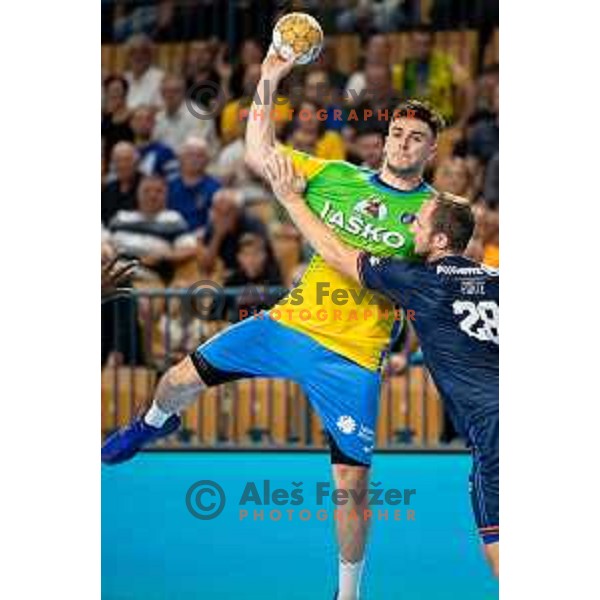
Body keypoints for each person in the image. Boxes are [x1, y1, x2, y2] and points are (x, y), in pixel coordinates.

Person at [101, 47, 443, 600]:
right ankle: (155, 422)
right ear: (384, 140)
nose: (403, 143)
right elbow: (258, 152)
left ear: (431, 149)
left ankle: (347, 594)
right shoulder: (335, 176)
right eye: (397, 134)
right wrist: (270, 72)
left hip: (352, 357)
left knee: (352, 485)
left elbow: (424, 283)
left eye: (415, 138)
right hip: (289, 325)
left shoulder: (434, 214)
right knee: (177, 379)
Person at [264, 156, 499, 579]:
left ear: (441, 238)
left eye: (419, 222)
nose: (409, 226)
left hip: (494, 431)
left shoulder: (419, 280)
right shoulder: (499, 279)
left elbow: (338, 254)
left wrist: (291, 201)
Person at [167, 137, 221, 233]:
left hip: (200, 238)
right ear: (180, 158)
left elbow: (216, 222)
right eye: (190, 155)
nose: (194, 159)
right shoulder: (168, 185)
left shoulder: (216, 187)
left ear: (207, 160)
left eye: (199, 156)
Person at [153, 73, 218, 153]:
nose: (170, 95)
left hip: (200, 161)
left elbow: (193, 150)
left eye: (175, 91)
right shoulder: (159, 117)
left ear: (184, 92)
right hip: (169, 161)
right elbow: (155, 145)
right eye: (166, 91)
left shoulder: (199, 114)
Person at [130, 105, 178, 178]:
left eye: (148, 119)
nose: (143, 123)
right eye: (139, 119)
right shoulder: (124, 152)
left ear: (154, 123)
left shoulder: (165, 152)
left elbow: (173, 179)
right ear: (131, 124)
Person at [101, 142, 141, 225]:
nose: (122, 165)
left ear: (137, 162)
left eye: (127, 160)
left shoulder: (147, 187)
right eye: (118, 160)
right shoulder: (108, 189)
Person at [123, 34, 165, 110]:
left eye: (143, 52)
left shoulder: (160, 78)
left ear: (150, 56)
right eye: (132, 53)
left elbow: (162, 108)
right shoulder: (124, 78)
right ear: (128, 57)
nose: (137, 56)